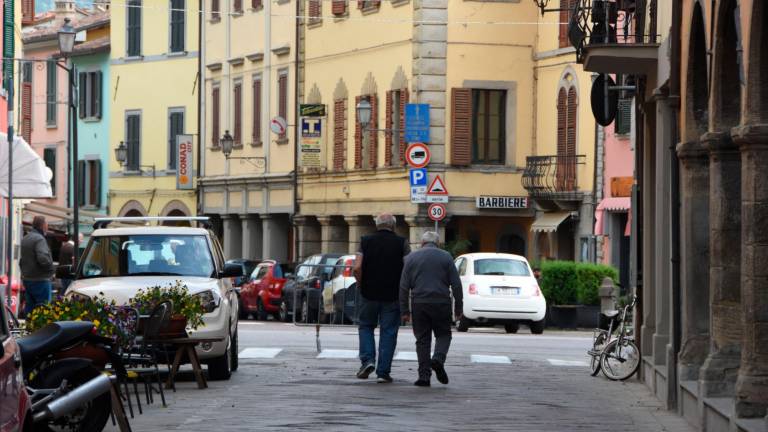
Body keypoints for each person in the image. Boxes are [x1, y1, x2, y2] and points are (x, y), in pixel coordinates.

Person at [399, 231, 463, 387]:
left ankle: (424, 377)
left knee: (422, 340)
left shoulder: (410, 258)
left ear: (421, 243)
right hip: (441, 302)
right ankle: (438, 359)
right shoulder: (446, 257)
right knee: (443, 335)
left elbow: (403, 287)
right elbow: (456, 284)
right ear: (438, 243)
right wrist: (458, 308)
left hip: (419, 303)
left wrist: (404, 311)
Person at [353, 213, 410, 383]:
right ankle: (383, 372)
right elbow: (407, 269)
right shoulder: (402, 243)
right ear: (393, 226)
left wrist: (361, 284)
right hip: (392, 295)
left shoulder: (365, 241)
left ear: (377, 225)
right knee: (389, 332)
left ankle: (368, 361)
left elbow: (357, 267)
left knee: (365, 327)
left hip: (368, 293)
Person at [20, 216, 55, 314]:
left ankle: (29, 328)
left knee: (30, 308)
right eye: (47, 224)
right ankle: (41, 329)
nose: (47, 226)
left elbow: (22, 260)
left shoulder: (26, 237)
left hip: (28, 279)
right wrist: (50, 270)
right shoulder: (39, 239)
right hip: (41, 280)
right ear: (43, 225)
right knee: (44, 310)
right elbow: (43, 258)